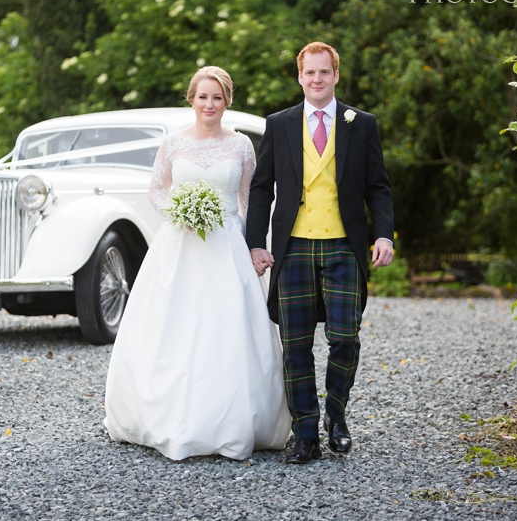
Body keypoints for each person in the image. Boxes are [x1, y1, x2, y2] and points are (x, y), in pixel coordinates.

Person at [103, 66, 292, 461]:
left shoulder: (241, 146)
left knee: (228, 325)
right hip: (181, 243)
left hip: (226, 245)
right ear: (191, 99)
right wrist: (179, 211)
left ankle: (236, 418)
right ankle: (169, 415)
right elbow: (156, 190)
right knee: (177, 324)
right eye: (203, 96)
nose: (210, 104)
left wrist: (255, 246)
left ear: (227, 102)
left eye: (217, 97)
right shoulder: (172, 143)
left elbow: (249, 200)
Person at [246, 42, 395, 464]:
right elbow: (261, 188)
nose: (316, 79)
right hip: (292, 248)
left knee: (345, 337)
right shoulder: (280, 124)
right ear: (299, 76)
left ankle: (336, 414)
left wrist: (384, 234)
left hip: (344, 247)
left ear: (335, 75)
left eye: (324, 72)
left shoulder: (361, 124)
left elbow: (378, 187)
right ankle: (305, 433)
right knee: (294, 344)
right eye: (309, 72)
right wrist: (256, 242)